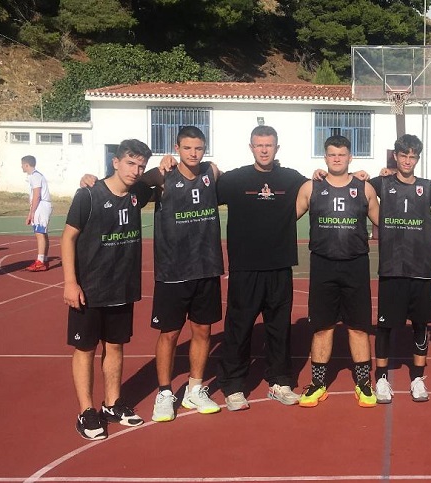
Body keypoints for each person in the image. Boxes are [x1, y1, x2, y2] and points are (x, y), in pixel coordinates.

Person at [62, 139, 154, 440]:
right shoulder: (88, 194)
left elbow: (157, 177)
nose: (136, 171)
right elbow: (68, 238)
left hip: (122, 287)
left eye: (141, 166)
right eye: (130, 163)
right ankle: (86, 411)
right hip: (89, 289)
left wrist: (164, 165)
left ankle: (112, 404)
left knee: (115, 346)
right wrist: (70, 282)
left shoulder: (138, 192)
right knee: (86, 349)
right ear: (115, 162)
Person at [215, 125, 305, 410]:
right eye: (259, 145)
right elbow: (200, 184)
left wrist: (362, 176)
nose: (264, 150)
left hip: (279, 266)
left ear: (277, 148)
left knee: (279, 329)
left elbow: (320, 187)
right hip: (245, 267)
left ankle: (280, 382)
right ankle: (233, 386)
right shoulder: (235, 179)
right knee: (239, 328)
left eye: (269, 145)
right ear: (251, 147)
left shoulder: (291, 178)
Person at [295, 135, 380, 408]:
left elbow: (384, 221)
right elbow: (283, 218)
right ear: (325, 157)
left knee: (358, 327)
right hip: (323, 265)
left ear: (350, 157)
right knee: (322, 327)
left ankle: (364, 383)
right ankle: (318, 383)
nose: (336, 159)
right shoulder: (311, 187)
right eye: (332, 154)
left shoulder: (364, 188)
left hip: (356, 265)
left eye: (341, 154)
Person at [148, 126, 224, 421]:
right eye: (187, 148)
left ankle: (194, 388)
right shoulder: (162, 176)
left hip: (206, 267)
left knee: (203, 331)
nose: (193, 153)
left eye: (199, 148)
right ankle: (165, 392)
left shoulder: (211, 173)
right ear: (176, 148)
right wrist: (90, 180)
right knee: (169, 334)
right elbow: (129, 182)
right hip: (172, 271)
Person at [369, 134, 431, 404]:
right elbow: (353, 186)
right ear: (395, 156)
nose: (407, 160)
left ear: (418, 158)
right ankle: (381, 378)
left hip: (421, 268)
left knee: (420, 325)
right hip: (391, 267)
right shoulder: (381, 183)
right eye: (403, 155)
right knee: (384, 326)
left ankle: (417, 378)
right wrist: (359, 174)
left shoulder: (427, 187)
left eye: (412, 156)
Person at [21, 155, 52, 271]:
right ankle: (44, 258)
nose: (21, 167)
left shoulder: (35, 176)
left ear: (26, 165)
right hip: (42, 205)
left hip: (41, 206)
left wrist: (32, 212)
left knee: (39, 233)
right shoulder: (36, 176)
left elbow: (37, 195)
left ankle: (40, 262)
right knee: (43, 233)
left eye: (22, 165)